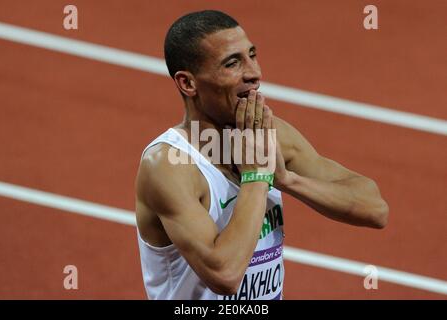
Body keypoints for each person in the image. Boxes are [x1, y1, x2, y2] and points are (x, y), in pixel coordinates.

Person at [135, 10, 389, 300]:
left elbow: (375, 209)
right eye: (233, 63)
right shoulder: (168, 165)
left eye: (252, 55)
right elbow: (225, 275)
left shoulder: (269, 135)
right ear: (188, 83)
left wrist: (286, 179)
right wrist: (257, 176)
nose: (254, 73)